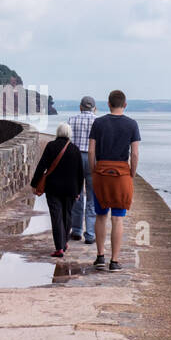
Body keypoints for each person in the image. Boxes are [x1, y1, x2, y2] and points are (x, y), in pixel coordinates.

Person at [88, 89, 140, 271]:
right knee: (118, 219)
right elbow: (134, 153)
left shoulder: (98, 123)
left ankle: (100, 256)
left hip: (101, 173)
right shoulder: (132, 124)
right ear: (124, 105)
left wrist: (94, 170)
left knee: (101, 216)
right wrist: (132, 173)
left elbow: (92, 151)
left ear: (108, 104)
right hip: (121, 174)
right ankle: (114, 261)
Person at [31, 123, 85, 257]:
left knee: (56, 217)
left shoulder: (51, 146)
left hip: (53, 188)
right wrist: (78, 191)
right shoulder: (75, 149)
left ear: (58, 132)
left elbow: (41, 166)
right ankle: (64, 241)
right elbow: (80, 173)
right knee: (67, 215)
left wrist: (34, 183)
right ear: (69, 134)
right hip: (70, 189)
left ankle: (59, 248)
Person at [67, 96, 98, 243]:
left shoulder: (71, 120)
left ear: (80, 107)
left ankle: (77, 230)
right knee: (92, 196)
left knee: (77, 195)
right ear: (94, 108)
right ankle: (90, 234)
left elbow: (67, 142)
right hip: (93, 159)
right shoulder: (98, 122)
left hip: (75, 158)